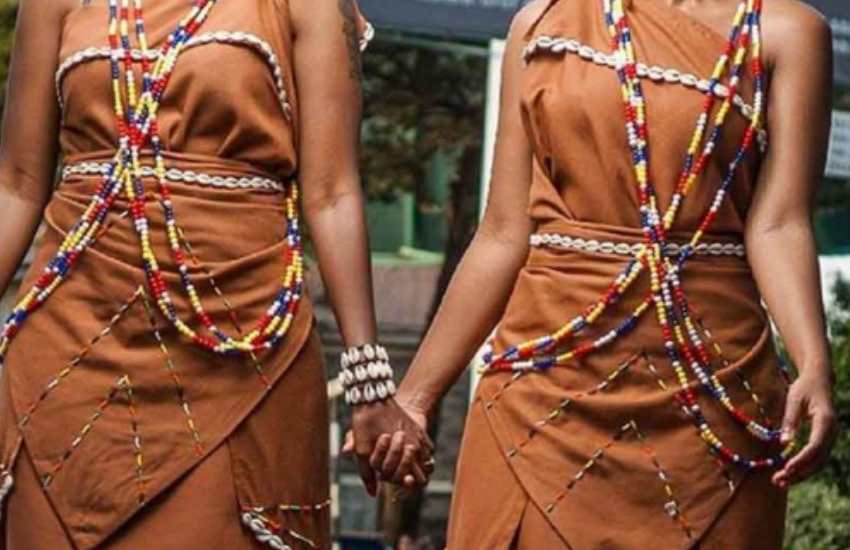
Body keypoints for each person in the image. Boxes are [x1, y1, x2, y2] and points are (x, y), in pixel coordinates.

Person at [360, 0, 838, 547]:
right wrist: (416, 399)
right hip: (542, 385)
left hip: (712, 392)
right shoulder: (542, 22)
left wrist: (812, 364)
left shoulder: (788, 32)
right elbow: (502, 233)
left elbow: (778, 224)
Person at [0, 0, 429, 548]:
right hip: (67, 343)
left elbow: (332, 192)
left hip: (240, 345)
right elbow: (17, 184)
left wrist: (369, 382)